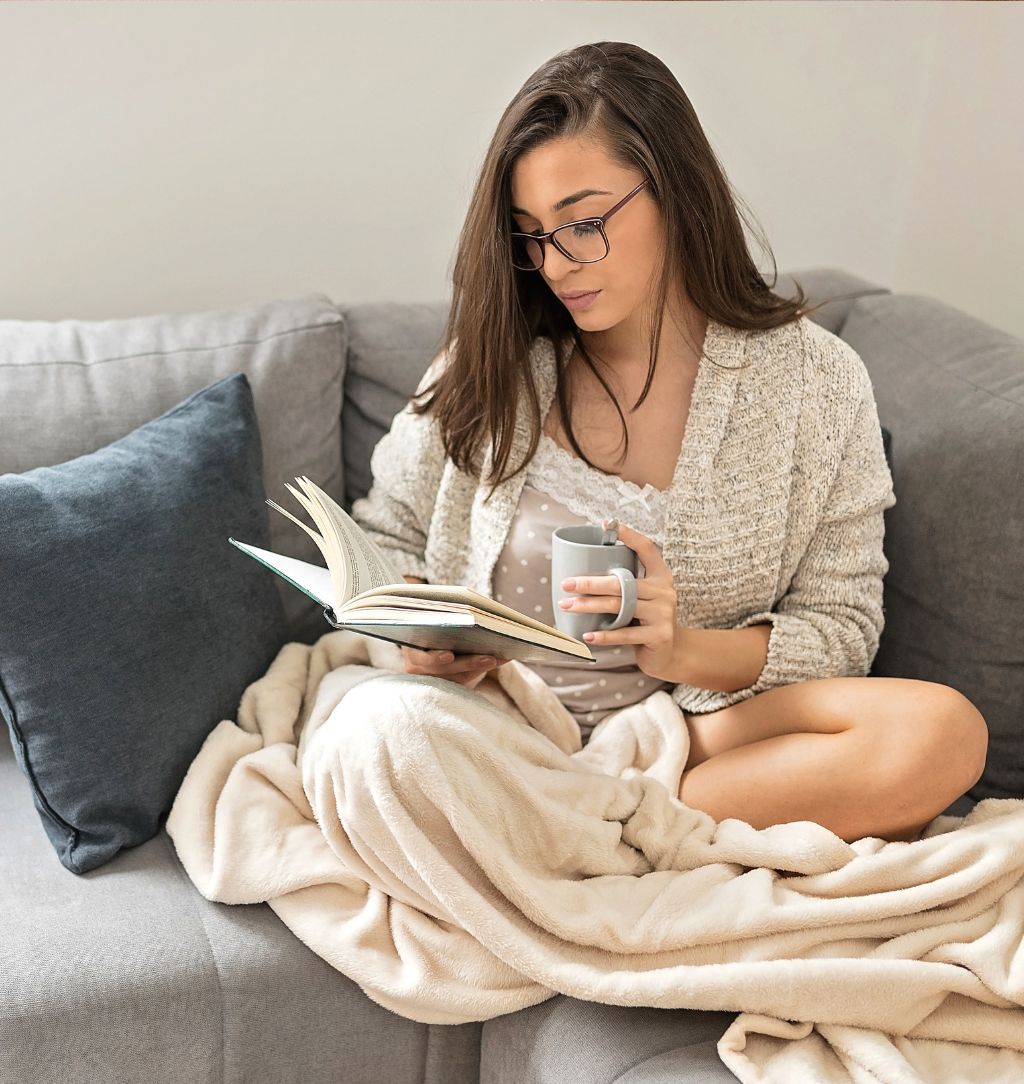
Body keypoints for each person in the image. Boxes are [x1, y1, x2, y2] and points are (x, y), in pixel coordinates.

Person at [349, 40, 988, 844]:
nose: (556, 264)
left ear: (676, 192)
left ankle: (574, 831)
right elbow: (382, 537)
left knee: (943, 732)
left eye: (584, 223)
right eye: (531, 235)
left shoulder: (814, 384)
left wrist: (680, 649)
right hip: (494, 728)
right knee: (378, 737)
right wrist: (419, 642)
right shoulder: (493, 364)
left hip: (687, 743)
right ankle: (603, 833)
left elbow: (841, 627)